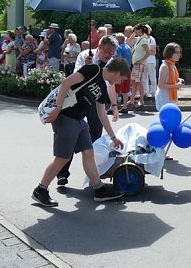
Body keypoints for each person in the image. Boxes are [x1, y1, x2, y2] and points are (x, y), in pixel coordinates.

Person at [33, 58, 130, 207]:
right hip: (66, 116)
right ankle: (41, 190)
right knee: (62, 158)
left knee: (88, 152)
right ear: (117, 72)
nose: (119, 82)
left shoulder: (103, 87)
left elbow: (101, 113)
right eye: (121, 78)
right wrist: (58, 108)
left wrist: (113, 137)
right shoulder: (93, 70)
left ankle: (99, 189)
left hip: (79, 120)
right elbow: (66, 83)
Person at [57, 35, 120, 186]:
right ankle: (63, 173)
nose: (109, 56)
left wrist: (115, 105)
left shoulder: (110, 63)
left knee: (95, 138)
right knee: (71, 137)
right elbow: (75, 78)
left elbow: (110, 85)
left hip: (96, 101)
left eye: (112, 54)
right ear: (99, 47)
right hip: (78, 102)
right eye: (107, 52)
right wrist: (87, 66)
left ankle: (96, 174)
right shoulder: (85, 56)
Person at [155, 42, 184, 111]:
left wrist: (179, 80)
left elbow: (171, 79)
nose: (179, 55)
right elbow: (160, 85)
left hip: (170, 98)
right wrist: (176, 85)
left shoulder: (172, 65)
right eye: (176, 52)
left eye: (179, 52)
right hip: (164, 98)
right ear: (170, 53)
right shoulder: (165, 66)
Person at [129, 24, 149, 109]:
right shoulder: (139, 39)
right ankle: (132, 99)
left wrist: (141, 60)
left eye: (136, 30)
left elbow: (148, 52)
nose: (135, 32)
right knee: (134, 81)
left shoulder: (143, 39)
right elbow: (129, 41)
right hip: (135, 64)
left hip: (139, 64)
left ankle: (141, 99)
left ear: (140, 30)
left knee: (138, 81)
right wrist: (134, 32)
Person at [114, 32, 133, 111]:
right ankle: (125, 107)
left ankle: (113, 107)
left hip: (121, 69)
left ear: (118, 39)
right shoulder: (128, 47)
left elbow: (118, 58)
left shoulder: (118, 48)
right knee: (125, 89)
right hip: (128, 69)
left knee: (116, 89)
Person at [143, 25, 158, 103]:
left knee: (152, 77)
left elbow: (153, 52)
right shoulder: (141, 39)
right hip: (143, 61)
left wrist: (145, 51)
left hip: (151, 61)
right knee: (144, 77)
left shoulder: (151, 39)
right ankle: (146, 92)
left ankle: (153, 92)